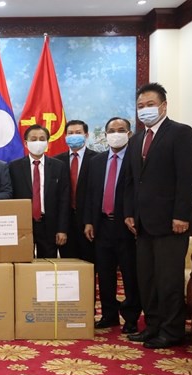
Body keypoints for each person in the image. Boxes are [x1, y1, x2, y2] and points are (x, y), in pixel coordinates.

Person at [124, 83, 192, 349]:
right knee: (147, 280)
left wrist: (181, 215)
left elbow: (188, 177)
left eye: (150, 105)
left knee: (168, 280)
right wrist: (129, 214)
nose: (145, 110)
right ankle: (153, 326)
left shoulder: (180, 133)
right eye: (140, 106)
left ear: (164, 106)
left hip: (171, 223)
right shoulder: (136, 140)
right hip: (143, 224)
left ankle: (172, 330)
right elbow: (131, 181)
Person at [84, 117, 141, 334]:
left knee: (129, 274)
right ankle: (109, 315)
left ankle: (131, 317)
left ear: (129, 134)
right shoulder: (96, 161)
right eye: (111, 130)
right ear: (105, 135)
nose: (116, 134)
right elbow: (90, 194)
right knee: (105, 275)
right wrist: (89, 221)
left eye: (121, 130)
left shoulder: (136, 160)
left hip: (126, 225)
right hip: (102, 226)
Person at [9, 124, 69, 258]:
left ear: (47, 143)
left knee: (47, 264)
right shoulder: (14, 167)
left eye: (42, 139)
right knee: (23, 262)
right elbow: (11, 197)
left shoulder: (58, 166)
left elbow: (64, 200)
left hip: (49, 225)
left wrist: (62, 229)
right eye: (33, 139)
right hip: (23, 224)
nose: (38, 142)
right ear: (26, 143)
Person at [55, 120, 97, 262]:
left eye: (78, 132)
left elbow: (96, 194)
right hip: (65, 222)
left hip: (88, 222)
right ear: (65, 136)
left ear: (86, 135)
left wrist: (90, 221)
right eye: (70, 133)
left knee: (89, 263)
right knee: (68, 265)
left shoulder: (97, 159)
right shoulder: (57, 161)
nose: (74, 136)